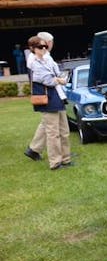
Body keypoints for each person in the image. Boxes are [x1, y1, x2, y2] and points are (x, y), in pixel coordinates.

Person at [25, 35, 72, 170]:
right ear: (32, 48)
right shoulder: (34, 63)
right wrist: (58, 79)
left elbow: (58, 72)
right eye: (40, 47)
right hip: (48, 99)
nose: (44, 49)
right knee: (53, 133)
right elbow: (48, 80)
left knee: (64, 131)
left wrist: (57, 78)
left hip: (58, 96)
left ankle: (66, 159)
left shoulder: (47, 59)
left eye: (45, 46)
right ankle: (55, 163)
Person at [24, 32, 57, 163]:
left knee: (46, 123)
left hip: (46, 92)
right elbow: (46, 77)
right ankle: (53, 156)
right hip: (45, 93)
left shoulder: (38, 55)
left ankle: (34, 149)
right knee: (50, 125)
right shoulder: (37, 57)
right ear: (48, 42)